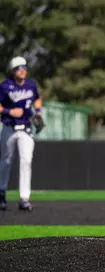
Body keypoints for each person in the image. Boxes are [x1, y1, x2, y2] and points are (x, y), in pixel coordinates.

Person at [0, 56, 46, 211]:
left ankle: (24, 198)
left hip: (26, 128)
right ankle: (1, 193)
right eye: (19, 68)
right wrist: (9, 111)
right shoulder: (5, 86)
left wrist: (38, 112)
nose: (23, 70)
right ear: (12, 71)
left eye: (24, 67)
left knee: (26, 161)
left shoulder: (30, 85)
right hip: (9, 128)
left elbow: (38, 98)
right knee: (6, 161)